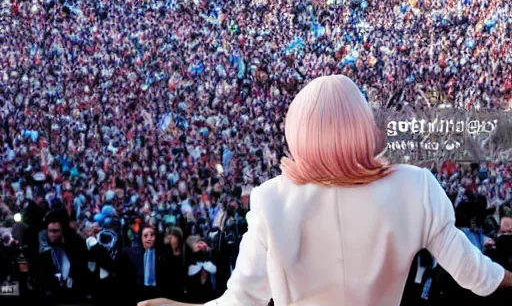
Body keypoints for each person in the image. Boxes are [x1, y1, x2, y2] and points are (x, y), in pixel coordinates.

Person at [137, 75, 512, 306]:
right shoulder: (416, 187)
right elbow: (479, 278)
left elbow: (241, 301)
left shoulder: (270, 199)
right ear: (363, 126)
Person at [118, 224, 171, 305]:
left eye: (152, 235)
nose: (149, 238)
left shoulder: (163, 254)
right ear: (141, 238)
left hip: (158, 293)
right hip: (140, 293)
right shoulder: (131, 254)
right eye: (145, 235)